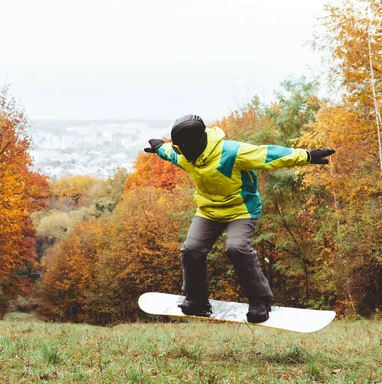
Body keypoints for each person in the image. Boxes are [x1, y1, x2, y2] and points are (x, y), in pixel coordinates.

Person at [144, 114, 335, 323]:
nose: (180, 153)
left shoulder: (231, 152)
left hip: (242, 209)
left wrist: (307, 155)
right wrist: (159, 147)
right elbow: (169, 152)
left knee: (236, 248)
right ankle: (197, 299)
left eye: (183, 149)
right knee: (191, 250)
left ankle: (260, 301)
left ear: (199, 142)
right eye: (179, 148)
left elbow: (268, 155)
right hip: (209, 210)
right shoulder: (184, 154)